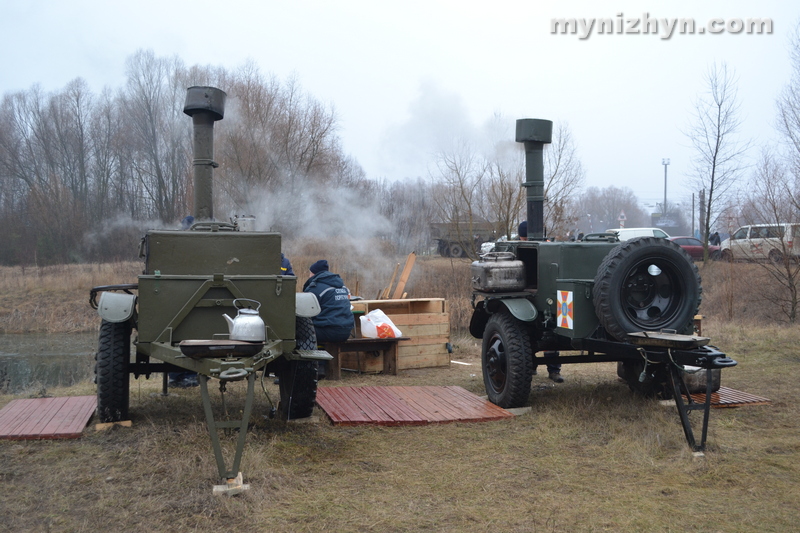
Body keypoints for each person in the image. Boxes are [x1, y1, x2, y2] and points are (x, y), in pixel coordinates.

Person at [518, 220, 565, 383]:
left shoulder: (545, 248)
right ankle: (535, 368)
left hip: (542, 297)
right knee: (530, 336)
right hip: (533, 296)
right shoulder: (544, 247)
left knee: (548, 335)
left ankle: (550, 370)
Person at [303, 260, 354, 378]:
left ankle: (315, 367)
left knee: (304, 333)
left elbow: (306, 311)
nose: (309, 276)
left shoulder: (315, 288)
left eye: (310, 273)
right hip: (346, 330)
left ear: (314, 273)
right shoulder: (342, 286)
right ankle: (321, 365)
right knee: (318, 329)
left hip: (328, 331)